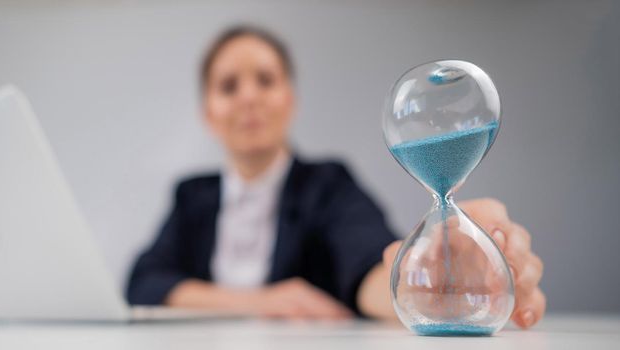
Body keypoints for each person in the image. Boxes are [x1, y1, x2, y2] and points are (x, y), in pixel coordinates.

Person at [126, 25, 545, 328]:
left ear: (289, 100)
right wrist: (263, 301)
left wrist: (431, 276)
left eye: (265, 80)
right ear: (209, 114)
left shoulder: (326, 185)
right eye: (229, 86)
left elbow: (366, 266)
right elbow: (145, 281)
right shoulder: (193, 195)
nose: (249, 97)